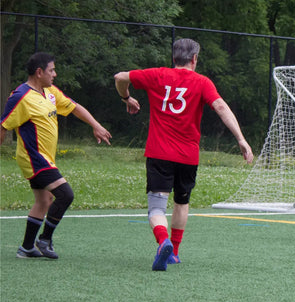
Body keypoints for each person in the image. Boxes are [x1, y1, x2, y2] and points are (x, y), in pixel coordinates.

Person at [114, 38, 254, 271]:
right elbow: (220, 107)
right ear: (194, 59)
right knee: (182, 201)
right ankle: (174, 252)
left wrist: (126, 98)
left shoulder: (157, 75)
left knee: (157, 207)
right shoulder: (202, 82)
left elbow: (120, 78)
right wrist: (241, 139)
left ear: (173, 58)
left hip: (159, 153)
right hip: (188, 156)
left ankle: (163, 241)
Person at [0, 52, 112, 259]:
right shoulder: (20, 96)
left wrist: (95, 125)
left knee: (44, 201)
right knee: (65, 194)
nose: (55, 74)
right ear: (39, 72)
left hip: (46, 158)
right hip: (33, 159)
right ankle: (45, 240)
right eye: (51, 70)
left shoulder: (49, 92)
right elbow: (3, 126)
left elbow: (75, 107)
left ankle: (26, 248)